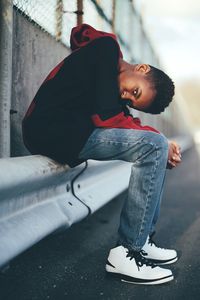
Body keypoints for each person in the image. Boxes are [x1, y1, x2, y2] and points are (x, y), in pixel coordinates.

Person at [22, 24, 181, 285]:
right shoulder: (106, 50)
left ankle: (142, 241)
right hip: (49, 131)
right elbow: (107, 117)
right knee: (153, 146)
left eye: (132, 100)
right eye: (135, 91)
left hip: (67, 132)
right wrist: (160, 140)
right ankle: (127, 252)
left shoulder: (110, 75)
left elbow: (122, 117)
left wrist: (161, 141)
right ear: (141, 68)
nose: (125, 96)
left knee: (156, 145)